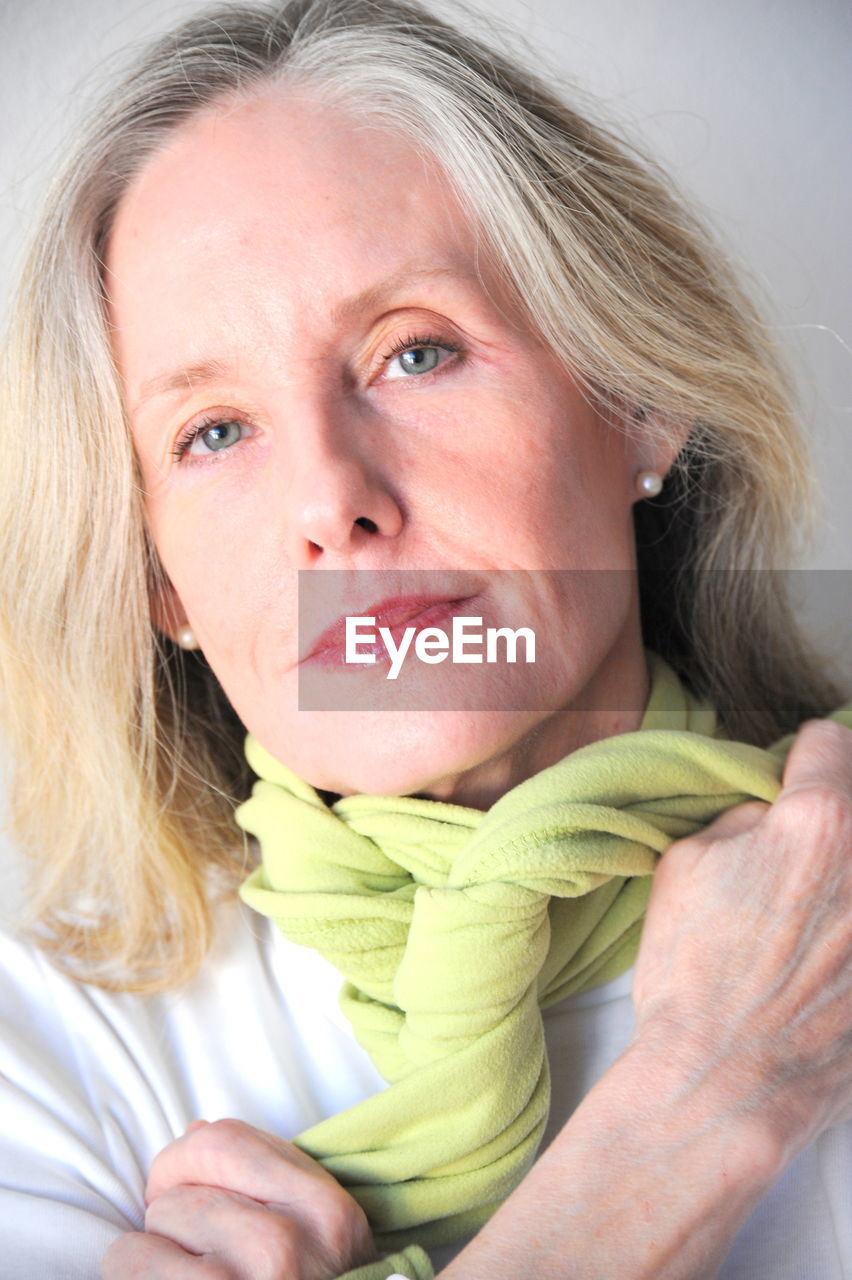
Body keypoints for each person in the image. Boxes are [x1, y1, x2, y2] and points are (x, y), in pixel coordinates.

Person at [0, 1, 849, 1277]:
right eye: (214, 432)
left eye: (415, 352)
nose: (330, 499)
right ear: (158, 582)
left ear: (637, 398)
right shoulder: (43, 1047)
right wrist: (706, 1099)